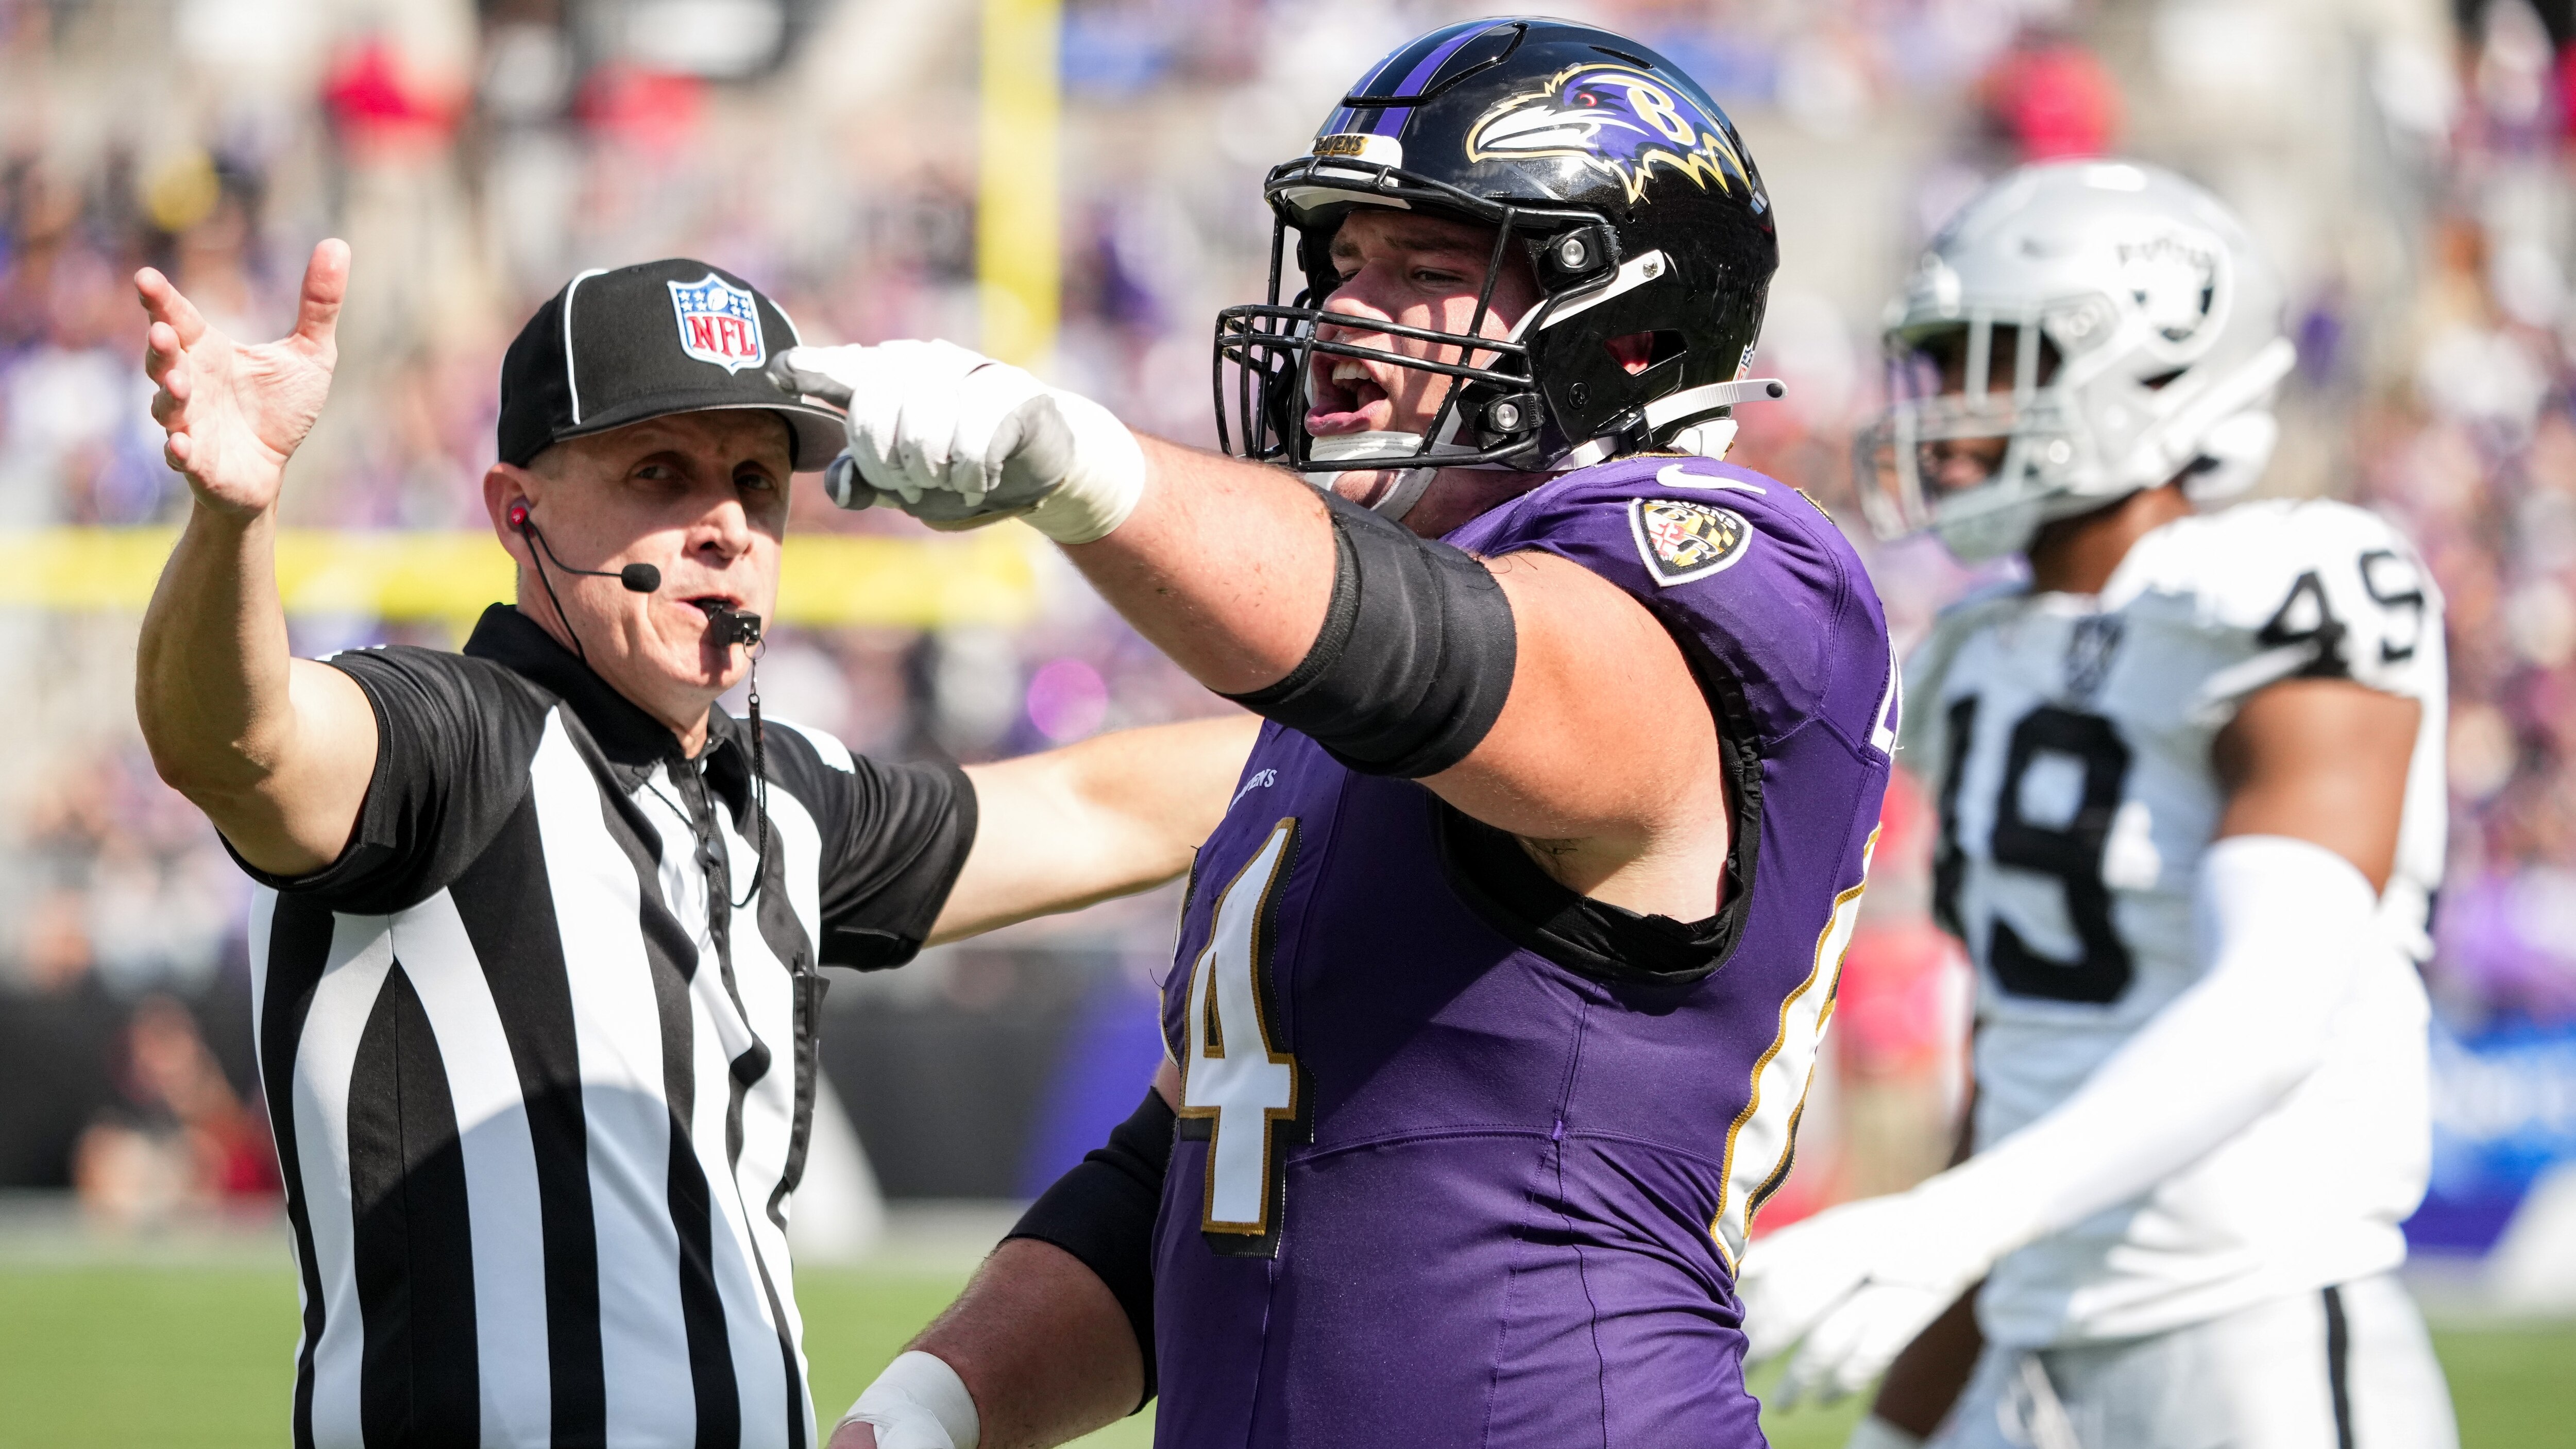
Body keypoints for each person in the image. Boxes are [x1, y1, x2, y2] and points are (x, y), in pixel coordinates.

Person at [785, 19, 1899, 1449]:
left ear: (1630, 326)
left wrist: (1079, 462)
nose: (1338, 320)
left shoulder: (1726, 572)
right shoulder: (1338, 717)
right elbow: (1187, 1174)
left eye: (1427, 273)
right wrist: (926, 1413)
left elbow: (1451, 661)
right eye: (1340, 266)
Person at [132, 248, 1257, 1449]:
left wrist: (1406, 730)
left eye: (758, 483)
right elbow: (234, 743)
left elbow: (1099, 808)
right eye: (660, 473)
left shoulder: (774, 795)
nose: (726, 527)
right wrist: (231, 517)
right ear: (519, 512)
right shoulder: (455, 743)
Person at [1735, 161, 2460, 1448]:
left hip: (2256, 1337)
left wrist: (1944, 1226)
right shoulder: (1979, 651)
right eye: (1938, 365)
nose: (1945, 412)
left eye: (1988, 362)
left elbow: (2268, 1011)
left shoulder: (2294, 580)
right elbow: (2017, 1063)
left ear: (2151, 369)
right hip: (2022, 1333)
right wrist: (1907, 1414)